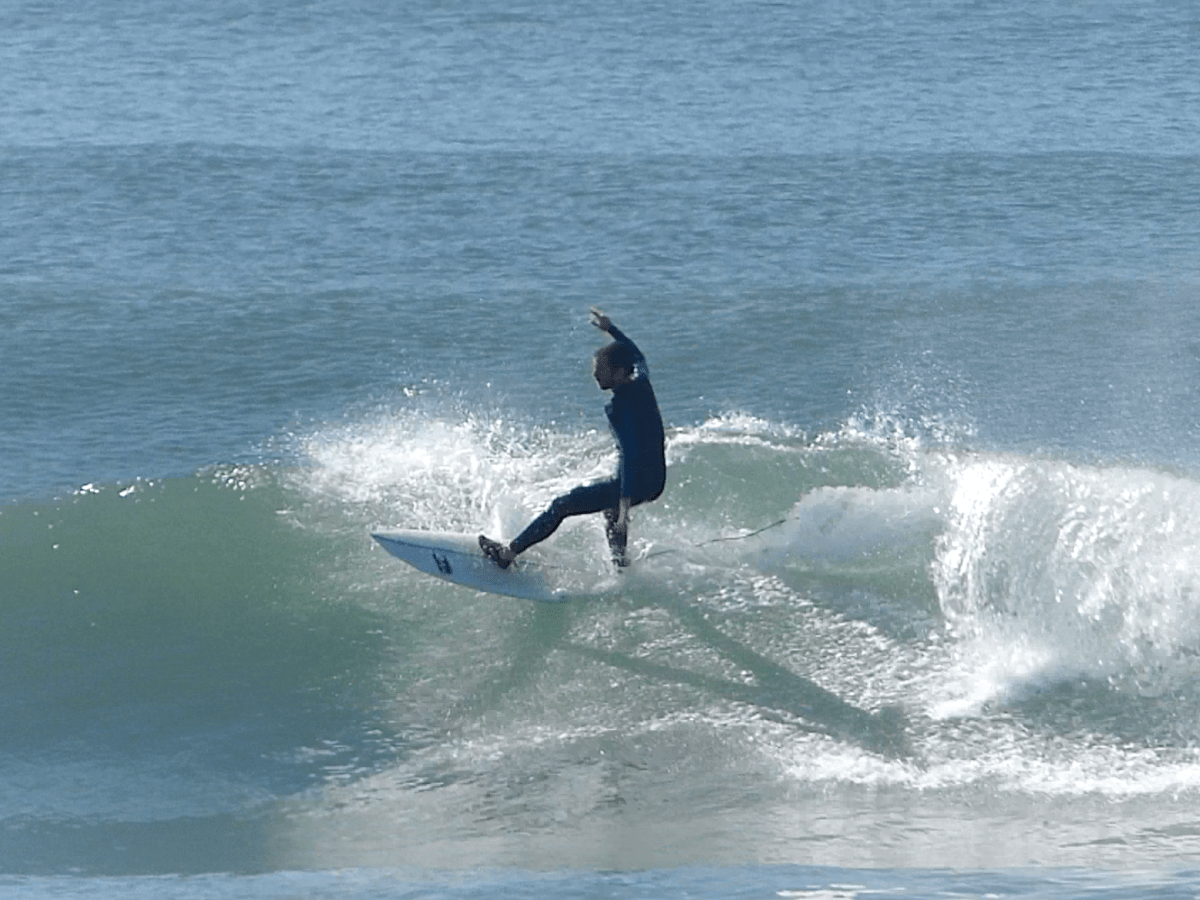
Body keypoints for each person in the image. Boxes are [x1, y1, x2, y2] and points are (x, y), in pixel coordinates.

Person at [479, 308, 666, 568]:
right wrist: (611, 329)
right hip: (656, 479)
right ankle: (620, 565)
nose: (595, 375)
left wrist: (625, 509)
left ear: (621, 372)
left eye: (601, 369)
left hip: (638, 482)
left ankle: (507, 554)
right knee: (609, 510)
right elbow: (636, 354)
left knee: (562, 505)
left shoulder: (619, 408)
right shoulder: (642, 382)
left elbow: (630, 455)